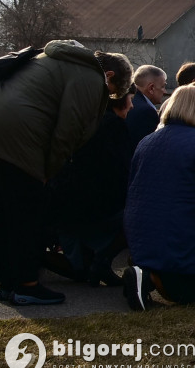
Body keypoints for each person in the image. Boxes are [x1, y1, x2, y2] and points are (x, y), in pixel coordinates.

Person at [0, 41, 132, 306]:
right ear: (110, 76)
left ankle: (7, 283)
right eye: (112, 93)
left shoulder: (54, 60)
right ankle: (27, 285)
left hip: (1, 130)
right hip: (21, 137)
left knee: (4, 215)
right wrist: (48, 170)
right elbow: (68, 132)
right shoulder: (92, 77)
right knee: (28, 215)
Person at [123, 85, 195, 310]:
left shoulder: (149, 140)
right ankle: (147, 277)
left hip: (143, 225)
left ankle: (145, 270)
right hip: (183, 226)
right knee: (184, 294)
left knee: (172, 273)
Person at [46, 84, 137, 287]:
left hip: (66, 203)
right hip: (91, 206)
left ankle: (88, 264)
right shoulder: (112, 125)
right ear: (120, 99)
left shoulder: (85, 119)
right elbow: (120, 171)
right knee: (136, 215)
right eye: (130, 99)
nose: (132, 106)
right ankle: (100, 262)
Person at [127, 65, 167, 147]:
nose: (165, 92)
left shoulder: (130, 102)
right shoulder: (146, 112)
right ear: (151, 88)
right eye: (163, 86)